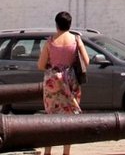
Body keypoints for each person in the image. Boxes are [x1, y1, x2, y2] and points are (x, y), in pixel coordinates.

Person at [37, 10, 87, 155]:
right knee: (69, 118)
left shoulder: (50, 41)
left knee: (51, 117)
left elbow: (40, 65)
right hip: (70, 81)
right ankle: (66, 152)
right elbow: (86, 61)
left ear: (56, 24)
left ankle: (48, 151)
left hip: (53, 82)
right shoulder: (76, 39)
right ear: (70, 24)